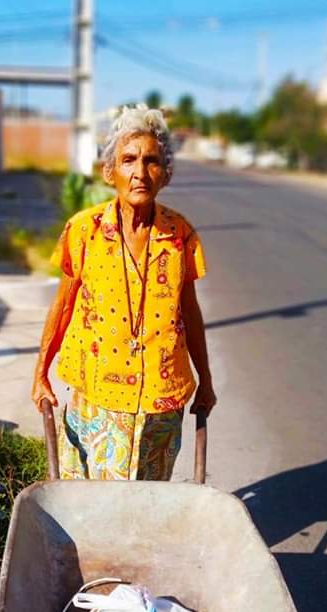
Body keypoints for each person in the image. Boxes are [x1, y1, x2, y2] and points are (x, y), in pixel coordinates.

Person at [31, 104, 216, 481]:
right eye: (128, 159)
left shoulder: (180, 234)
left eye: (151, 161)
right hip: (96, 395)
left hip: (163, 397)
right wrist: (41, 373)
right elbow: (63, 305)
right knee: (91, 502)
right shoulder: (84, 230)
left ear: (165, 173)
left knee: (147, 502)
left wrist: (206, 382)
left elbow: (190, 314)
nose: (139, 172)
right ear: (109, 171)